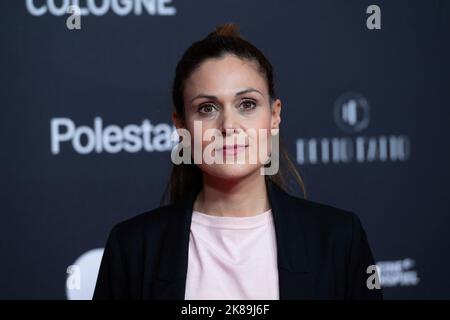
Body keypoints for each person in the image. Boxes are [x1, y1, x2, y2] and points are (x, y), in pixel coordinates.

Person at [93, 22, 383, 300]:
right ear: (181, 126)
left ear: (274, 115)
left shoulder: (339, 240)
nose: (229, 126)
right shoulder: (132, 248)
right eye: (207, 108)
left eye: (247, 104)